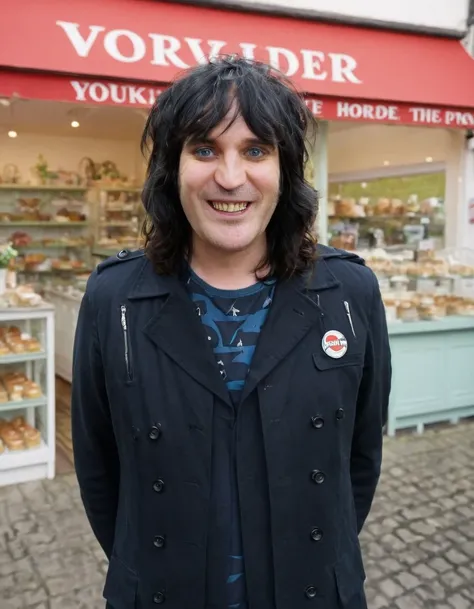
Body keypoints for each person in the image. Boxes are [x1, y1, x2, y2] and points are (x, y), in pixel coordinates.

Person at [71, 55, 391, 609]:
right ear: (172, 168)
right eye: (204, 149)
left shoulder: (349, 293)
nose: (230, 177)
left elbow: (358, 461)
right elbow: (100, 471)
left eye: (255, 150)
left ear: (286, 168)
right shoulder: (113, 299)